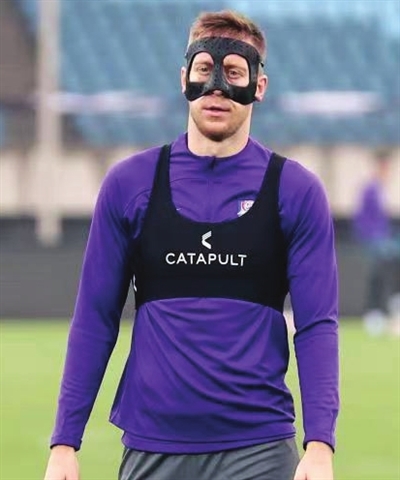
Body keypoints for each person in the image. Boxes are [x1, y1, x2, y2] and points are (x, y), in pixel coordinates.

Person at [44, 10, 339, 480]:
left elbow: (316, 325)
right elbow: (95, 319)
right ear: (184, 78)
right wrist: (64, 443)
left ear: (259, 86)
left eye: (234, 73)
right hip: (153, 447)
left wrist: (320, 444)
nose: (217, 87)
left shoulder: (296, 191)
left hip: (259, 449)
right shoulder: (130, 184)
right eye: (205, 69)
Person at [352, 149, 400, 336]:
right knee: (378, 271)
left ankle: (394, 299)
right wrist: (373, 237)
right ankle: (375, 310)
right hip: (372, 239)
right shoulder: (370, 189)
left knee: (391, 260)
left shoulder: (381, 189)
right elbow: (362, 219)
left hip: (383, 238)